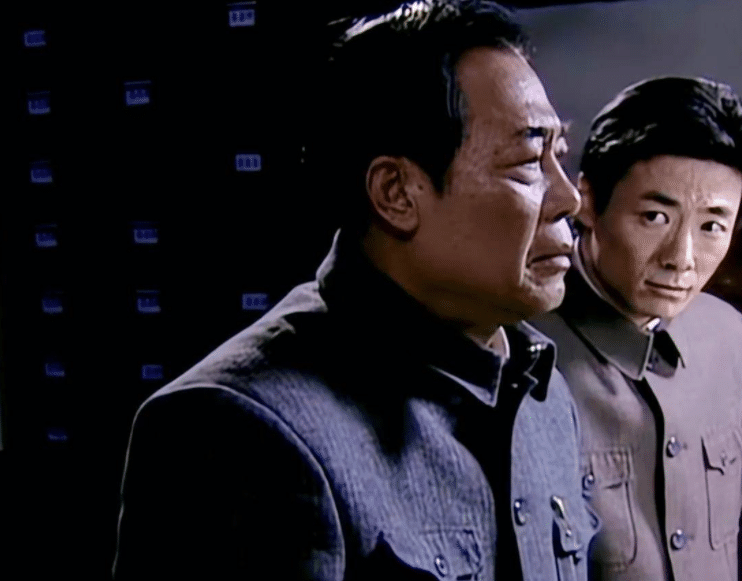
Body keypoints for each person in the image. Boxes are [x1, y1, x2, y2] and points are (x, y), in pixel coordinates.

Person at [111, 1, 594, 579]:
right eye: (528, 162)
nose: (569, 199)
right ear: (396, 193)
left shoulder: (541, 391)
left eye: (558, 156)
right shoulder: (233, 429)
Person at [531, 76, 742, 581]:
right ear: (587, 201)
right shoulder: (520, 346)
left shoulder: (728, 336)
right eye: (655, 217)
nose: (682, 259)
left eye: (712, 226)